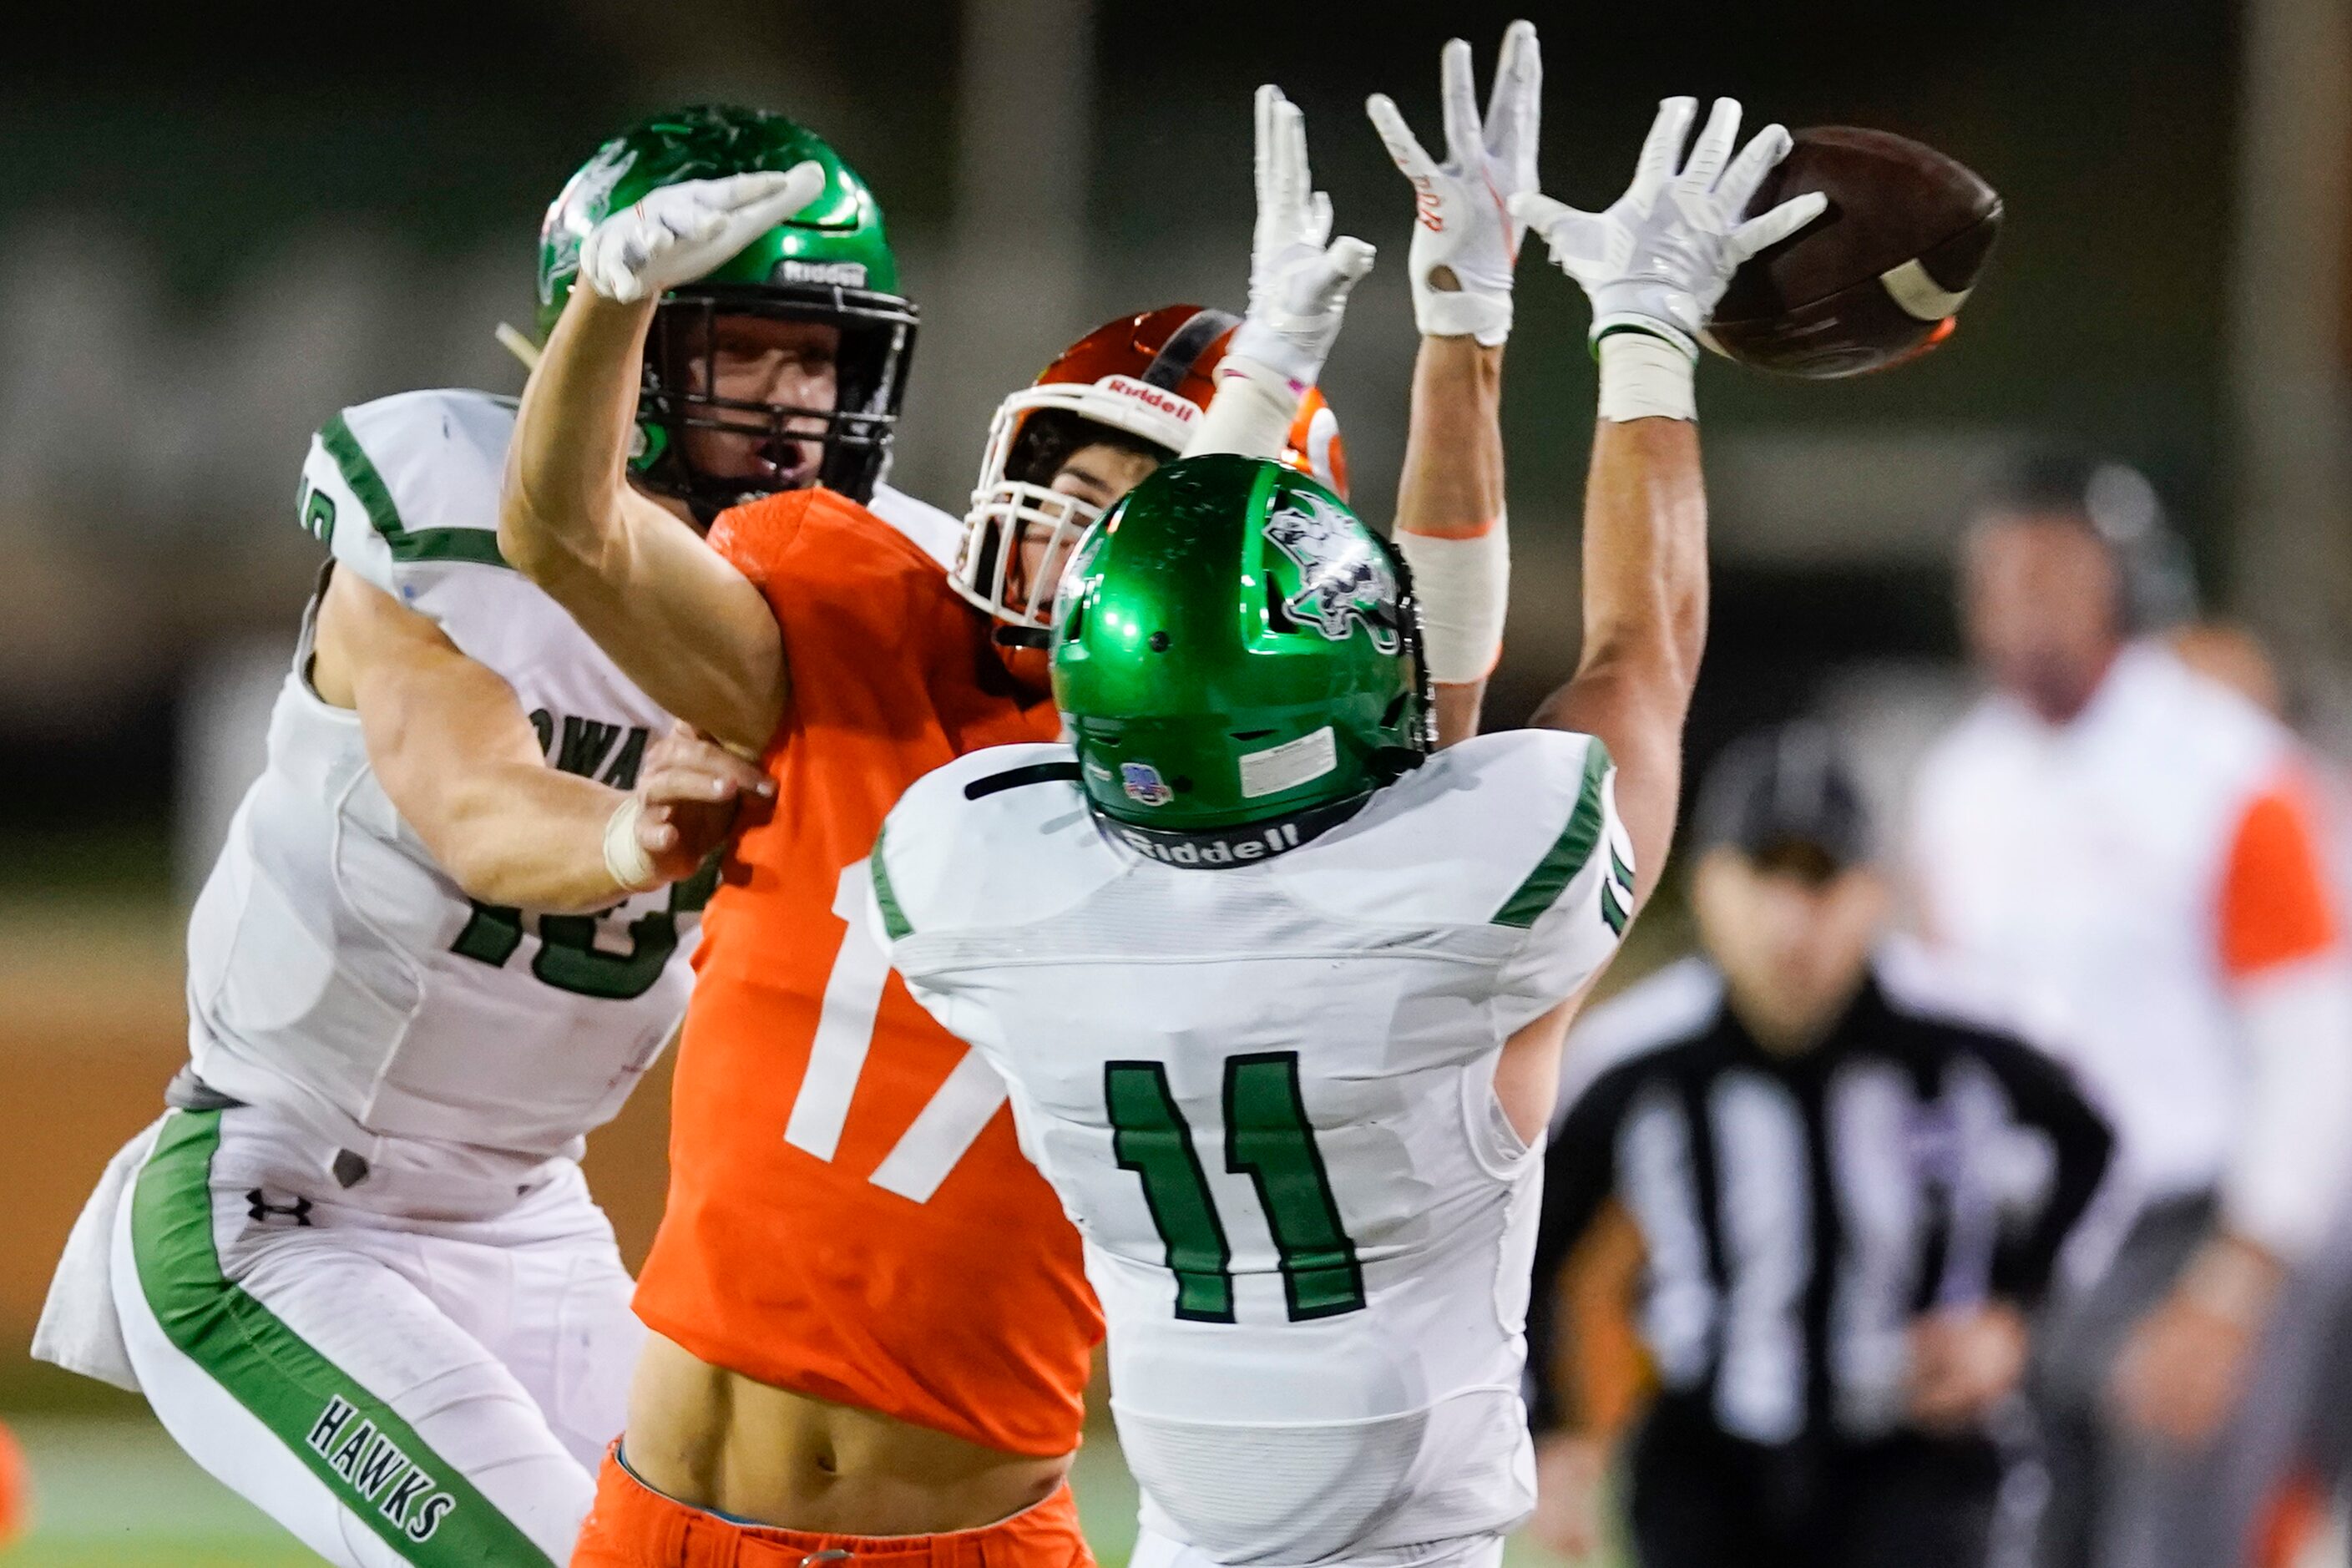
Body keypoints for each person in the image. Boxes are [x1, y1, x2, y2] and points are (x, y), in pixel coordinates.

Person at [497, 43, 1551, 1560]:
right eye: (1066, 469)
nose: (1068, 530)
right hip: (660, 1508)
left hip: (964, 1538)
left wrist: (1464, 335)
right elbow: (562, 530)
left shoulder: (1229, 805)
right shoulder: (845, 616)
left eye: (1133, 502)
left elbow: (1439, 683)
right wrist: (612, 308)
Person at [862, 93, 1824, 1568]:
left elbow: (1150, 677)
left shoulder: (991, 884)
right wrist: (1622, 327)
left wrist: (1292, 382)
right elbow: (1639, 652)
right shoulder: (1462, 898)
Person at [27, 102, 892, 1566]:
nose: (793, 398)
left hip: (530, 1222)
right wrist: (632, 833)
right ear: (625, 345)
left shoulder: (817, 592)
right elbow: (481, 807)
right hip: (285, 1210)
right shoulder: (438, 527)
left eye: (819, 356)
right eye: (744, 347)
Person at [1526, 724, 2114, 1568]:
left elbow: (2095, 1147)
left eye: (1822, 879)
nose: (1791, 920)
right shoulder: (1634, 1059)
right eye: (1764, 875)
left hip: (1911, 1443)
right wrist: (1552, 1431)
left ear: (1875, 893)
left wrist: (2014, 1315)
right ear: (1708, 886)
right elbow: (1533, 1246)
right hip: (1710, 1452)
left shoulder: (1965, 1035)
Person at [1908, 452, 2352, 1568]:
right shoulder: (1960, 783)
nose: (2015, 610)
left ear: (2127, 586)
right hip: (2033, 1237)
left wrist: (2234, 1284)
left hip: (2192, 1225)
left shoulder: (2228, 771)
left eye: (2049, 577)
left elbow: (2311, 1042)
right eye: (1994, 580)